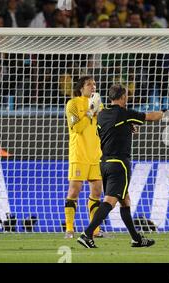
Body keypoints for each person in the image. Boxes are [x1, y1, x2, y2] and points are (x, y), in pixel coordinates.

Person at [77, 84, 169, 248]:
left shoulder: (102, 115)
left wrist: (126, 128)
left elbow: (105, 132)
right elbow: (150, 116)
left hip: (104, 163)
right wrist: (167, 113)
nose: (128, 98)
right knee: (110, 201)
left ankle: (136, 239)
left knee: (125, 201)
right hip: (119, 163)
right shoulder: (124, 113)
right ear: (123, 97)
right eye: (126, 95)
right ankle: (87, 234)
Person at [64, 76, 104, 239]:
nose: (93, 87)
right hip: (79, 155)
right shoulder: (72, 104)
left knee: (97, 191)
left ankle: (95, 231)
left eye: (94, 84)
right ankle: (69, 229)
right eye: (89, 84)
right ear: (81, 88)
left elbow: (107, 123)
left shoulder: (99, 105)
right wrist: (89, 112)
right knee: (74, 191)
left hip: (96, 155)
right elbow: (76, 128)